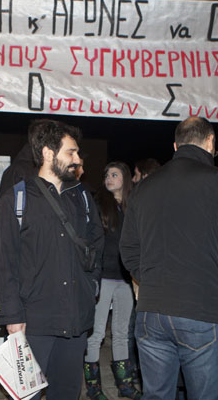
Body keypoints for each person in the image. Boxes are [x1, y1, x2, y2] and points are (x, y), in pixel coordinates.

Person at [120, 117, 218, 400]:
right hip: (201, 308)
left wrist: (151, 280)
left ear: (175, 145)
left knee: (156, 396)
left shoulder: (144, 187)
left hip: (152, 311)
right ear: (210, 142)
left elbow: (129, 249)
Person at [0, 119, 104, 400]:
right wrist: (12, 317)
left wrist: (91, 286)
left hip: (75, 319)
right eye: (71, 152)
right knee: (26, 396)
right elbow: (5, 263)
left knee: (67, 394)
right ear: (47, 153)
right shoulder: (16, 199)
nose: (77, 159)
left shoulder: (82, 197)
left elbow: (97, 244)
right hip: (33, 323)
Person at [84, 161, 140, 400]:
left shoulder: (134, 206)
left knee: (121, 333)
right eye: (107, 174)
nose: (109, 178)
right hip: (104, 276)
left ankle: (124, 385)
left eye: (114, 174)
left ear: (125, 178)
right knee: (96, 333)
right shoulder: (99, 205)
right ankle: (93, 388)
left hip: (126, 278)